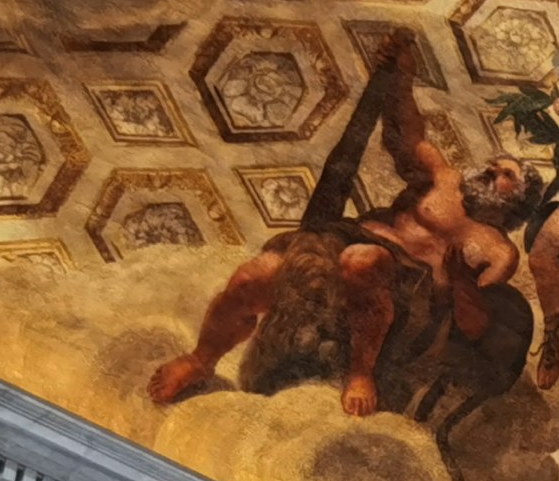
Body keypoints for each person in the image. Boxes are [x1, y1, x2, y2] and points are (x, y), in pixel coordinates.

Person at [148, 48, 531, 416]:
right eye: (494, 165)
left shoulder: (498, 251)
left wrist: (462, 283)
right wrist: (402, 75)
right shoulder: (446, 180)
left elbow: (474, 326)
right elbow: (408, 134)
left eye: (506, 175)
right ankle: (201, 359)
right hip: (338, 242)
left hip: (404, 290)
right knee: (254, 275)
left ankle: (360, 373)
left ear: (520, 197)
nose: (492, 171)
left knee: (363, 261)